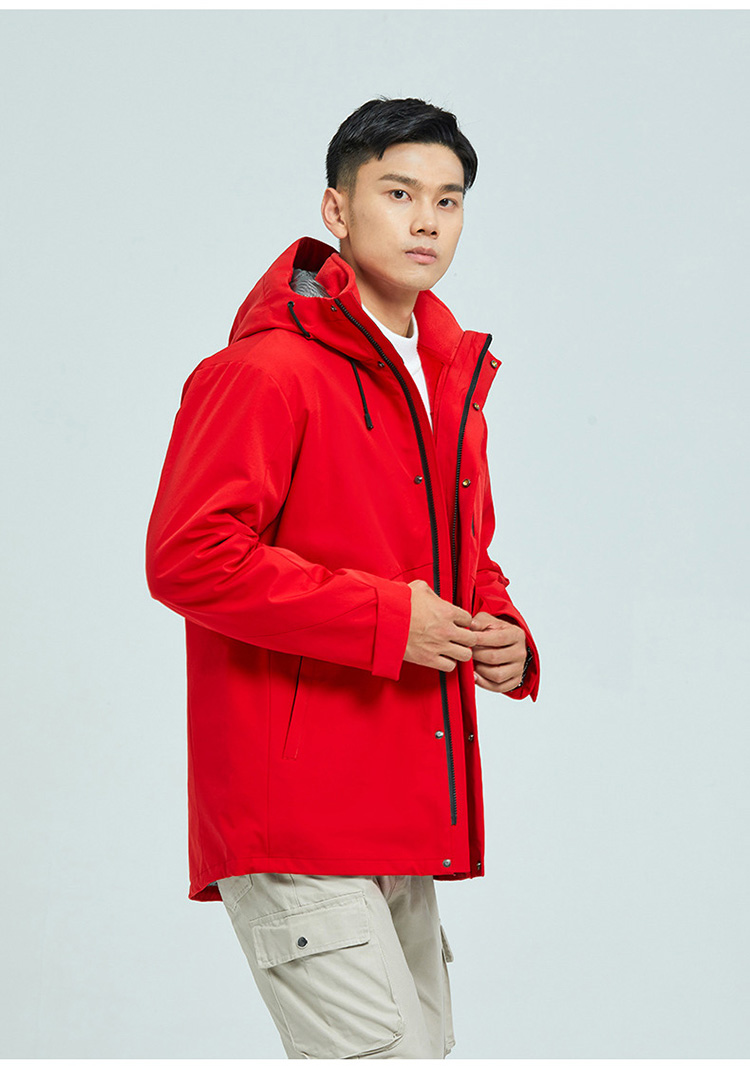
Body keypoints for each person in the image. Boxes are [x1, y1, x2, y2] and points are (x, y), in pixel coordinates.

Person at [146, 96, 540, 1059]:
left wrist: (502, 633)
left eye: (447, 200)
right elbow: (190, 556)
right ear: (336, 209)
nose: (425, 221)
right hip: (296, 815)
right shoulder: (265, 371)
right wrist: (388, 621)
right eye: (397, 193)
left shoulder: (447, 382)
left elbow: (460, 559)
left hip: (399, 815)